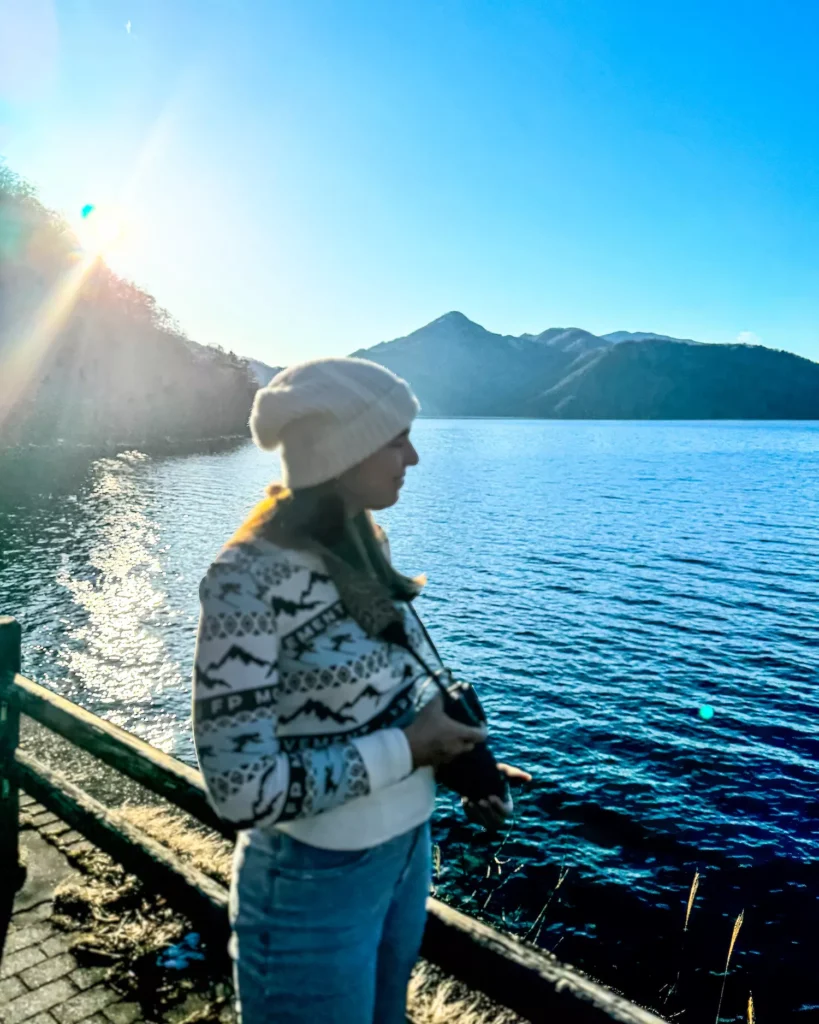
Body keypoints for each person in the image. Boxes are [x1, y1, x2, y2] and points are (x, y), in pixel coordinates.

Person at [192, 357, 529, 1024]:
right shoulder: (245, 581)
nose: (414, 456)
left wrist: (454, 761)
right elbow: (239, 789)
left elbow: (378, 702)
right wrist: (410, 749)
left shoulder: (362, 541)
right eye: (395, 438)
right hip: (310, 883)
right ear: (340, 450)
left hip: (406, 854)